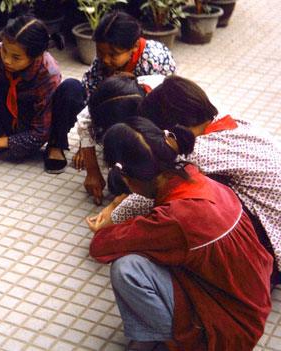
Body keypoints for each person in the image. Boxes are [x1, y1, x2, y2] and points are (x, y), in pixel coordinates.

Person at [87, 118, 272, 351]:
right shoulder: (196, 177)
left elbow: (101, 246)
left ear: (127, 178)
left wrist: (127, 227)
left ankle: (175, 345)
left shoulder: (177, 218)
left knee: (127, 268)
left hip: (227, 331)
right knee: (154, 255)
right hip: (249, 310)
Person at [108, 75, 281, 285]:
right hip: (271, 231)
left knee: (189, 195)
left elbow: (160, 187)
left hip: (270, 255)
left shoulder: (198, 152)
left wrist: (114, 218)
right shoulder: (237, 124)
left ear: (174, 129)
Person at [73, 11, 176, 204]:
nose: (105, 60)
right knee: (117, 180)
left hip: (148, 122)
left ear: (135, 46)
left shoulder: (156, 63)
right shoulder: (102, 63)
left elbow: (163, 113)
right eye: (100, 53)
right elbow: (91, 110)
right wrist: (90, 163)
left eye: (113, 54)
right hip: (115, 112)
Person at [0, 15, 83, 174]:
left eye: (16, 57)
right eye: (4, 50)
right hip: (6, 114)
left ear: (35, 56)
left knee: (72, 89)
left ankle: (55, 145)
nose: (7, 60)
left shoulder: (48, 73)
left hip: (34, 122)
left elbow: (40, 132)